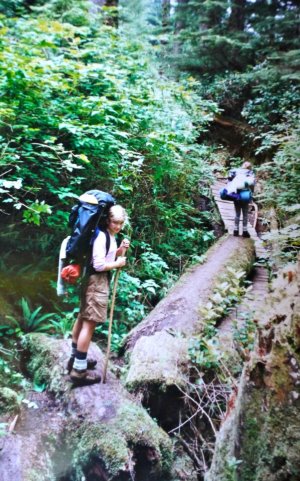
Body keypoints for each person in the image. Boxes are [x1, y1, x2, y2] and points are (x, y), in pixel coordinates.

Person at [68, 204, 130, 386]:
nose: (117, 226)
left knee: (82, 318)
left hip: (92, 280)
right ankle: (79, 371)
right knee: (89, 323)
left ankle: (76, 359)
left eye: (120, 223)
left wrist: (119, 250)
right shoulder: (101, 236)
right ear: (107, 220)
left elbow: (107, 257)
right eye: (114, 222)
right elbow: (99, 265)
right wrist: (118, 263)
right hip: (96, 281)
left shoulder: (109, 235)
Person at [227, 161, 255, 238]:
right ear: (249, 167)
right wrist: (251, 194)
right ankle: (245, 231)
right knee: (245, 214)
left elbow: (229, 181)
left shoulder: (235, 171)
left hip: (236, 194)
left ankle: (235, 230)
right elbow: (252, 184)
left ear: (243, 165)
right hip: (245, 194)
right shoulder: (250, 172)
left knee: (237, 213)